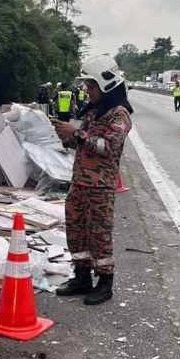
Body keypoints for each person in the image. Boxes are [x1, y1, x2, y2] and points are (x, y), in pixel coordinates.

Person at [52, 55, 134, 305]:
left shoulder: (119, 115)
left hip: (100, 186)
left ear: (106, 84)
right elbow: (78, 142)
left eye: (92, 85)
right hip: (80, 183)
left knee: (99, 235)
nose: (88, 90)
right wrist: (65, 133)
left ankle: (105, 283)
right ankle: (82, 277)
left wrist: (76, 133)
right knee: (76, 231)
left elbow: (108, 146)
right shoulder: (93, 112)